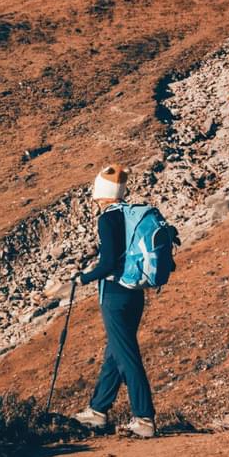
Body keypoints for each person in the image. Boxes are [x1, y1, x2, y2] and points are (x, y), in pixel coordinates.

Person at [46, 164, 157, 438]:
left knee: (126, 355)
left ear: (100, 194)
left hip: (115, 295)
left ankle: (144, 418)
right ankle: (98, 410)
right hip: (135, 292)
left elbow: (107, 264)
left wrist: (81, 279)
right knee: (115, 352)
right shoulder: (131, 214)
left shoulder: (107, 219)